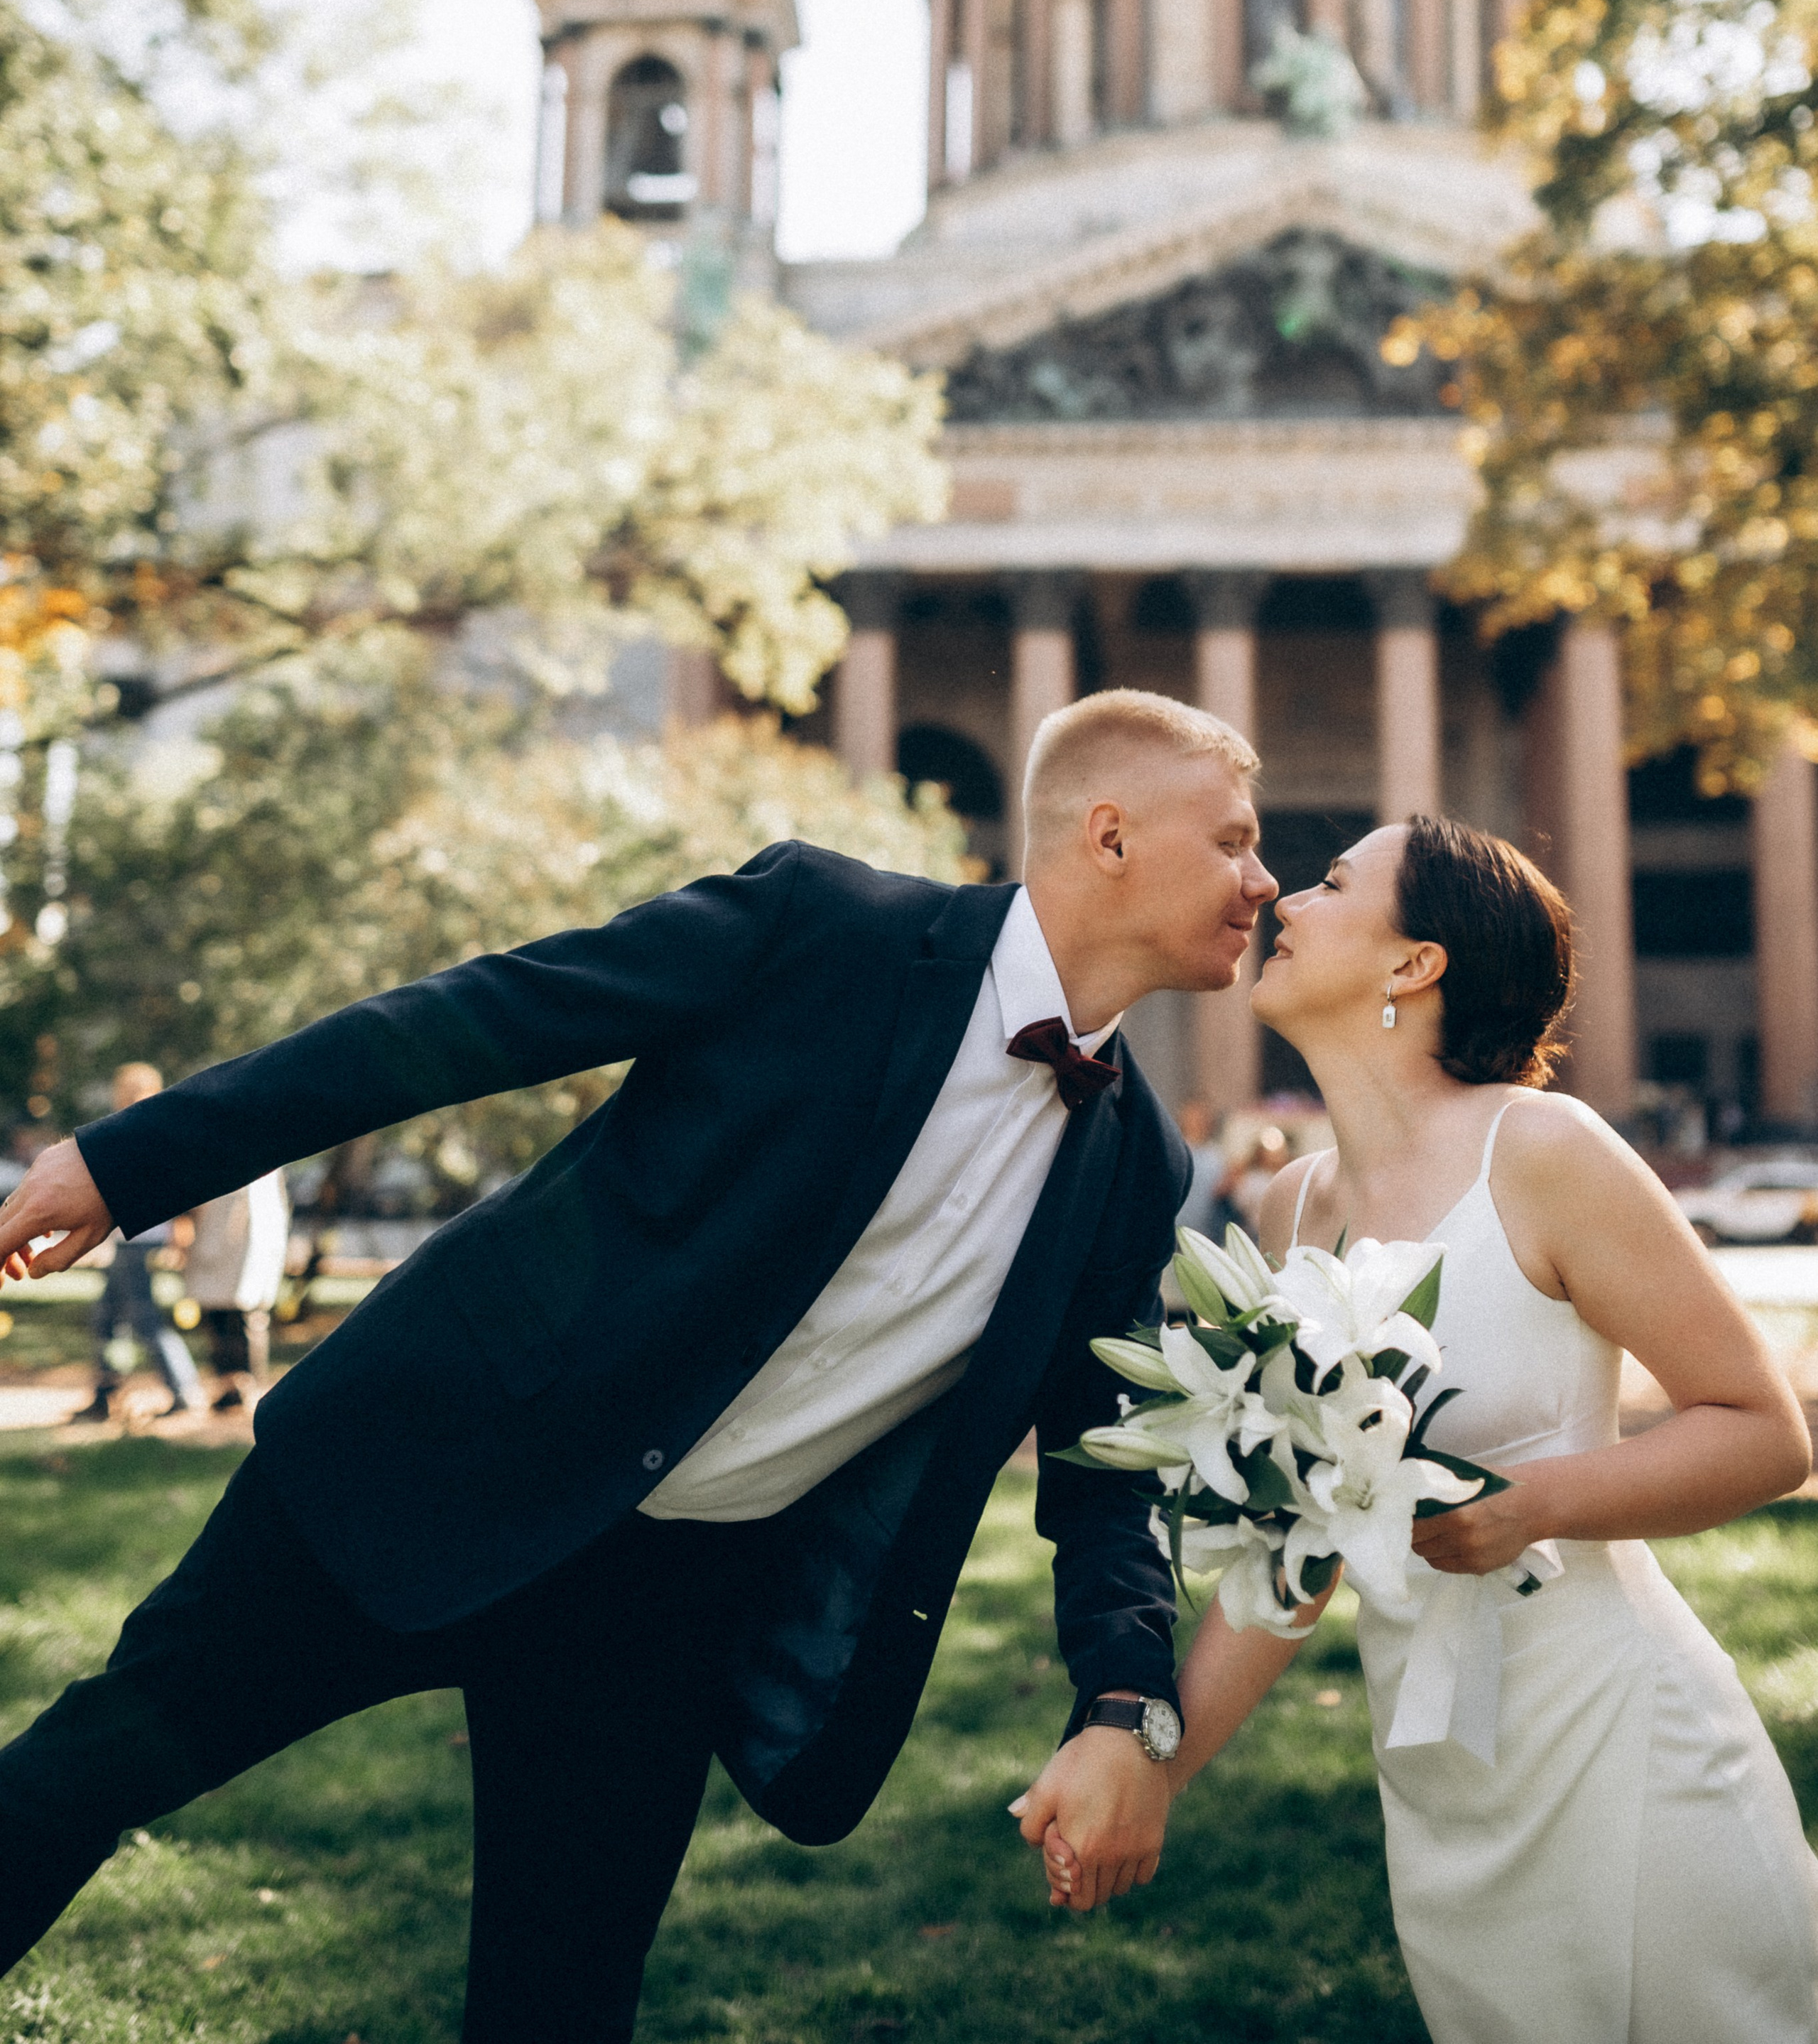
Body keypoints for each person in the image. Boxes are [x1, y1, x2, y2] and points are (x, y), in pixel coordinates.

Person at [0, 687, 1278, 2040]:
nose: (1265, 878)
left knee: (562, 2001)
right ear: (1111, 834)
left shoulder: (1140, 1159)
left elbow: (1102, 1463)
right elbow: (474, 1018)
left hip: (669, 1598)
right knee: (87, 1774)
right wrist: (133, 1158)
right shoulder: (824, 925)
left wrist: (1123, 1700)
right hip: (447, 1457)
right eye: (1238, 841)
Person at [1033, 813, 1818, 2043]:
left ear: (1416, 964)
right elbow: (1294, 1555)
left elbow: (1769, 1432)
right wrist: (1151, 1769)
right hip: (1439, 1775)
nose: (1288, 898)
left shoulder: (1542, 1149)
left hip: (1616, 1738)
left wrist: (1530, 1506)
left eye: (1337, 882)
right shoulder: (1294, 1207)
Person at [70, 1064, 206, 1427]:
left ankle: (184, 1391)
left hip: (145, 1240)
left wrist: (181, 1228)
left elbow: (180, 1183)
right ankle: (106, 1394)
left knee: (145, 1320)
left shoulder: (154, 1123)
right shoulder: (135, 1123)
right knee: (107, 1319)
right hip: (128, 1239)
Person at [183, 1170, 291, 1411]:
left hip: (246, 1246)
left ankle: (246, 1385)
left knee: (246, 1320)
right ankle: (228, 1385)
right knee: (219, 1317)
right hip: (218, 1244)